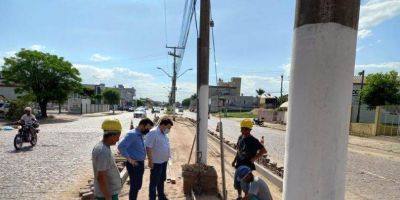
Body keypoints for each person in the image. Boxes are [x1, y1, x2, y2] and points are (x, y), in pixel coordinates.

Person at [117, 118, 154, 200]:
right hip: (134, 164)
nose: (148, 130)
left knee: (137, 186)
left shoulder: (140, 134)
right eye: (147, 128)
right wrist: (130, 159)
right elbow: (121, 146)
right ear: (142, 125)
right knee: (134, 186)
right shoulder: (132, 134)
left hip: (139, 163)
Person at [232, 119, 267, 200]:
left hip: (247, 167)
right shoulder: (240, 137)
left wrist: (254, 158)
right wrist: (234, 160)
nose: (240, 130)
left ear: (248, 130)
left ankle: (246, 198)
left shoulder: (254, 141)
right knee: (237, 183)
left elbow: (263, 151)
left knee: (245, 185)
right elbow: (239, 150)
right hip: (239, 164)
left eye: (242, 128)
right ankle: (239, 196)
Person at [92, 118, 123, 200]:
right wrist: (108, 198)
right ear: (112, 135)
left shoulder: (104, 147)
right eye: (118, 136)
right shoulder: (103, 152)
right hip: (106, 196)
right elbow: (101, 178)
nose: (118, 139)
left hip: (109, 194)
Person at [145, 117, 173, 200]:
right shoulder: (153, 133)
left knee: (161, 180)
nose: (169, 129)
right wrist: (150, 161)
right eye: (168, 127)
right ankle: (152, 198)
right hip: (156, 162)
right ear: (162, 125)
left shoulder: (163, 133)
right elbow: (148, 147)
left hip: (164, 161)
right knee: (154, 182)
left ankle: (161, 196)